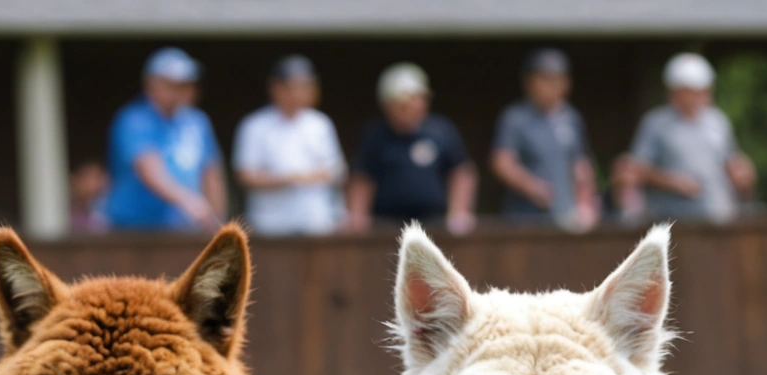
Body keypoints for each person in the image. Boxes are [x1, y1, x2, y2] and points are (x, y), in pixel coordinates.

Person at [615, 54, 755, 224]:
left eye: (704, 90)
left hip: (717, 219)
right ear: (675, 91)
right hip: (671, 221)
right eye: (693, 91)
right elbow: (635, 170)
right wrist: (673, 182)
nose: (701, 96)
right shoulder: (655, 123)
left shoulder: (718, 120)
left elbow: (730, 161)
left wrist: (741, 172)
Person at [104, 47, 225, 232]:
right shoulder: (134, 120)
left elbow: (211, 172)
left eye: (186, 84)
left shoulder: (197, 121)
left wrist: (217, 220)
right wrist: (190, 202)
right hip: (134, 230)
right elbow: (149, 168)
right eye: (173, 84)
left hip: (184, 228)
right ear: (151, 84)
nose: (182, 91)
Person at [349, 64, 476, 233]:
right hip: (385, 227)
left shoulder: (441, 131)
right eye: (405, 104)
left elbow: (461, 173)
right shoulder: (375, 135)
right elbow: (362, 178)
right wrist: (357, 217)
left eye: (420, 100)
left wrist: (459, 212)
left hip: (435, 225)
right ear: (388, 105)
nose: (414, 107)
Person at [233, 55, 348, 236]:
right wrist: (289, 178)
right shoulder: (254, 125)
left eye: (306, 85)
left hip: (316, 223)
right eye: (293, 86)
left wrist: (298, 177)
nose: (300, 92)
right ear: (276, 88)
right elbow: (246, 175)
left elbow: (336, 170)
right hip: (270, 225)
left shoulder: (321, 124)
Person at [489, 48, 598, 230]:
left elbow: (582, 165)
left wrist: (586, 203)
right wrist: (532, 187)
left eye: (558, 79)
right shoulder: (515, 118)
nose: (553, 86)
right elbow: (501, 162)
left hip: (567, 216)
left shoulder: (571, 118)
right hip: (525, 217)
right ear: (529, 82)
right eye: (545, 79)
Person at [69, 162, 110, 234]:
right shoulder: (62, 212)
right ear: (75, 179)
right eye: (89, 178)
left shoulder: (104, 206)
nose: (96, 184)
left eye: (99, 177)